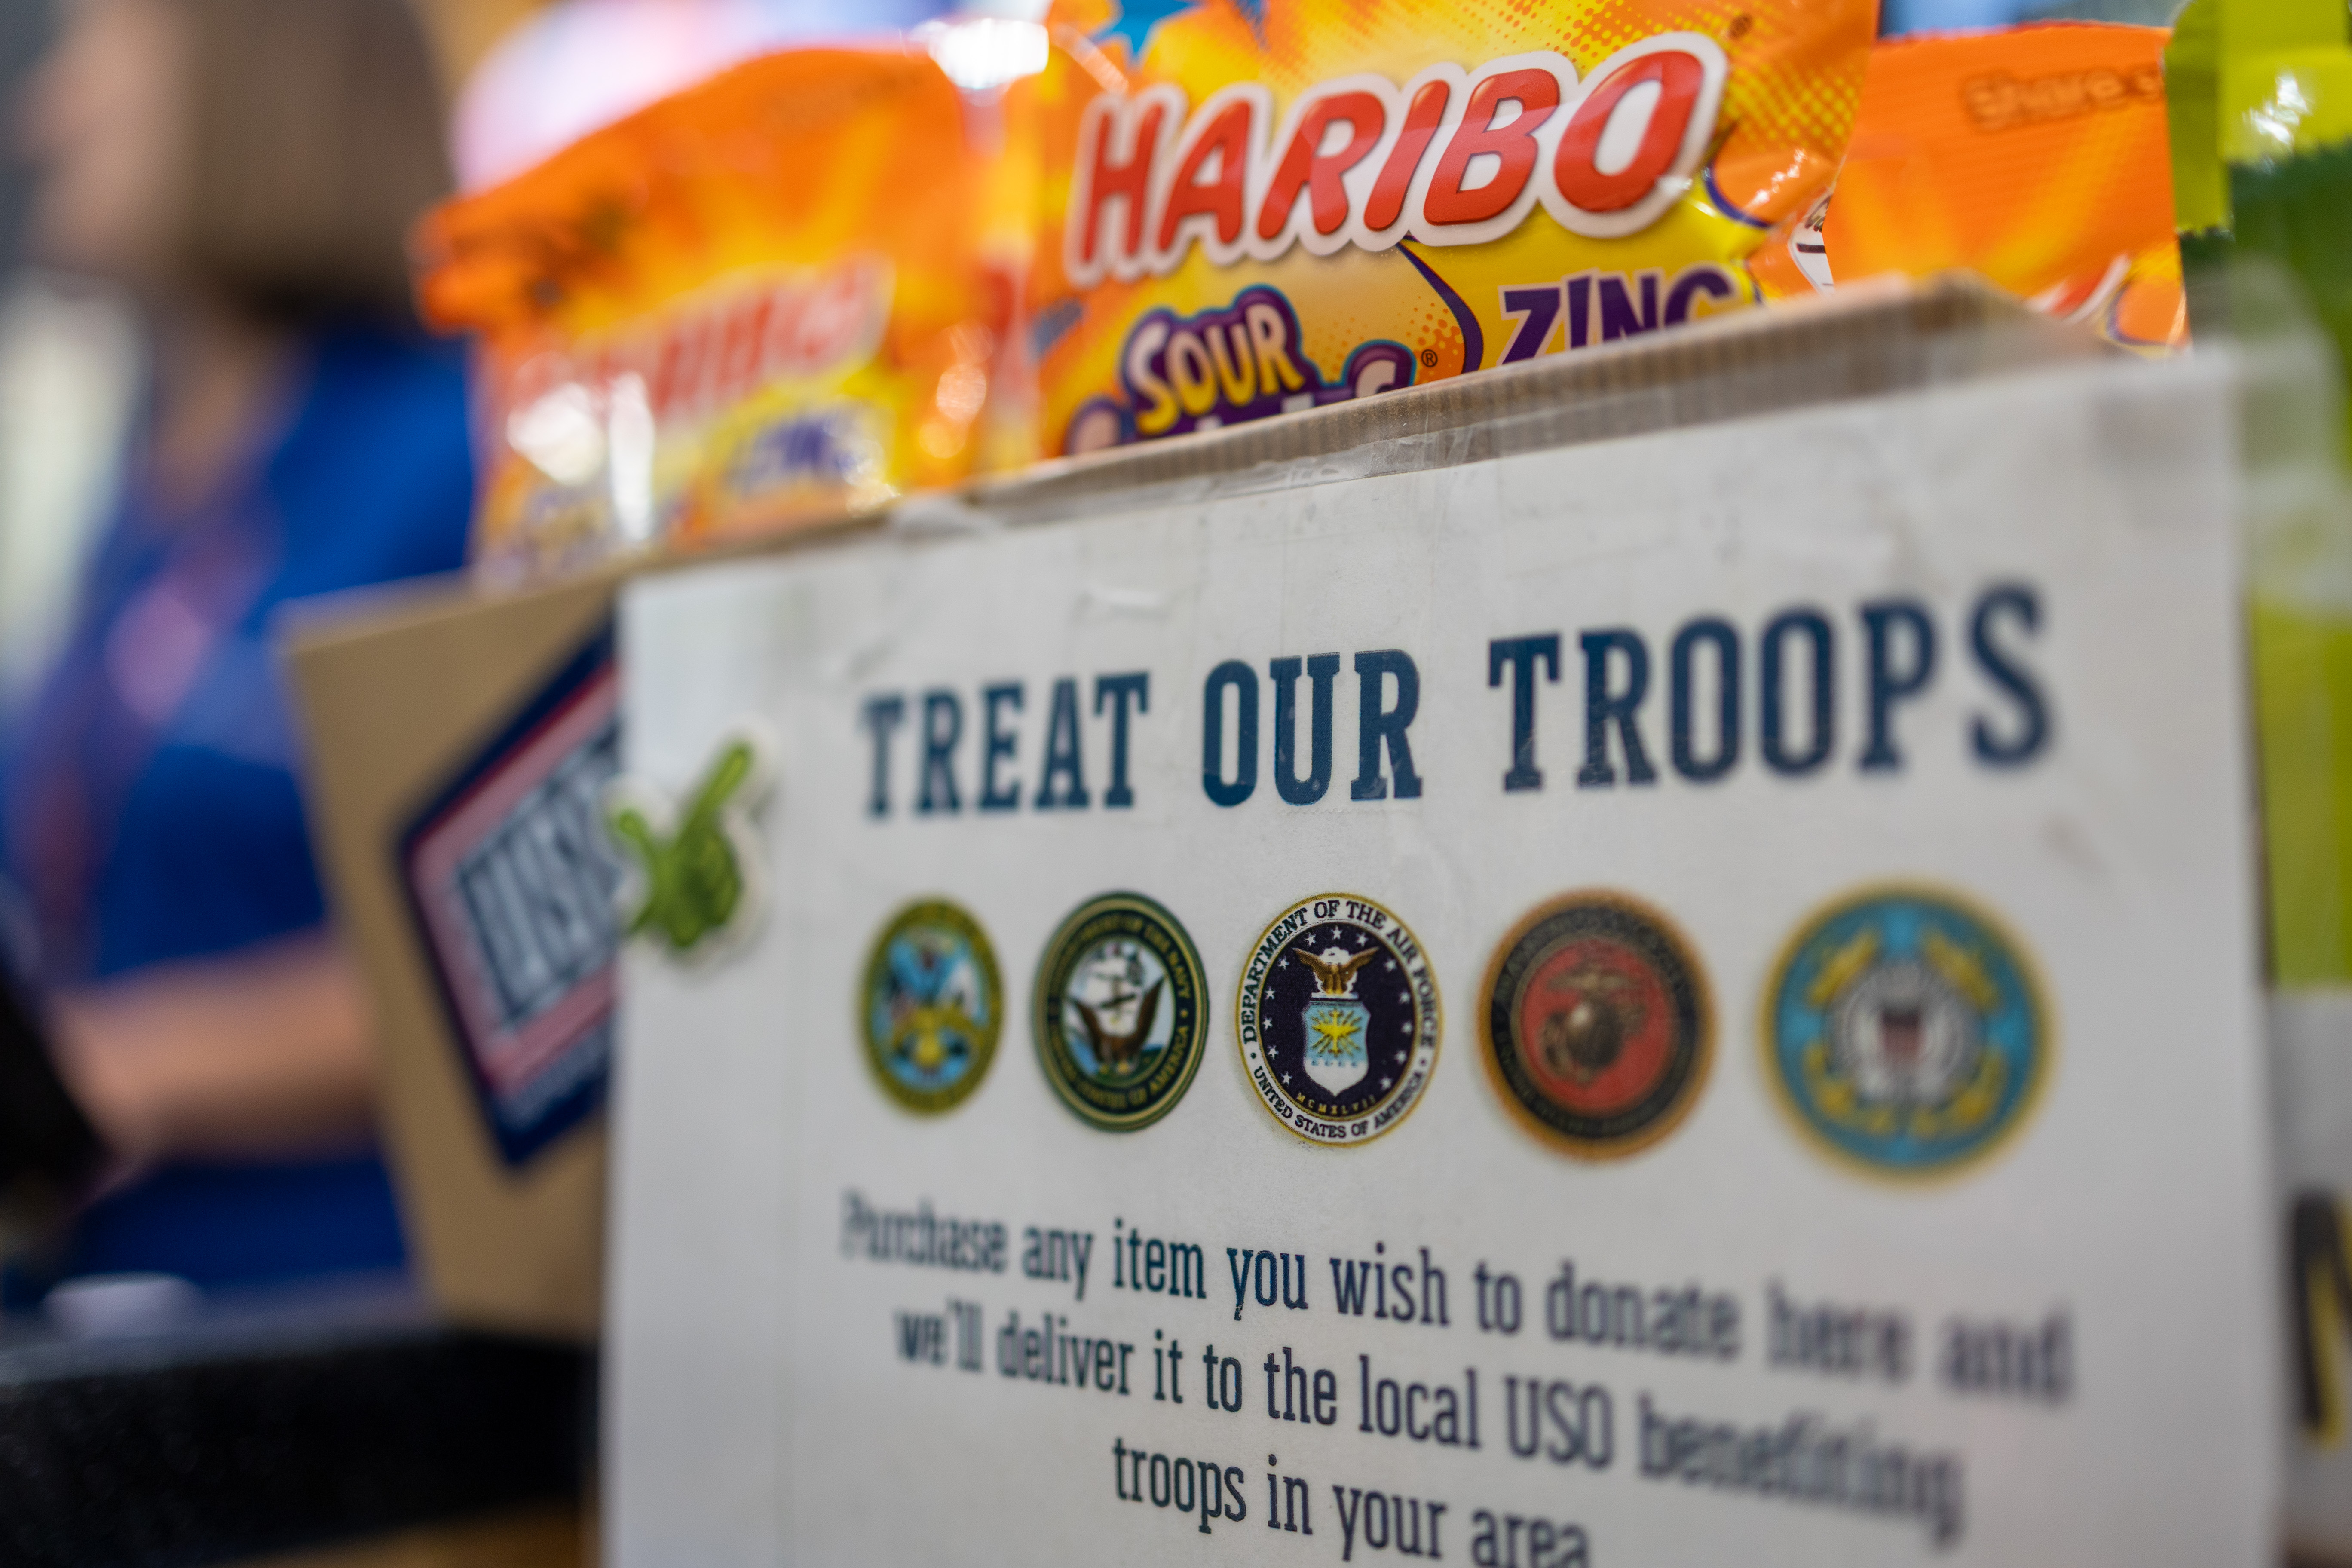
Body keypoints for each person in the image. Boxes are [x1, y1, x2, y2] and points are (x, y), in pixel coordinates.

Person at [0, 0, 472, 1292]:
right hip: (105, 1308)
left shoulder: (455, 457)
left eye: (98, 54)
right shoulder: (148, 490)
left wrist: (107, 1069)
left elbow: (525, 954)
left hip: (334, 1349)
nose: (49, 114)